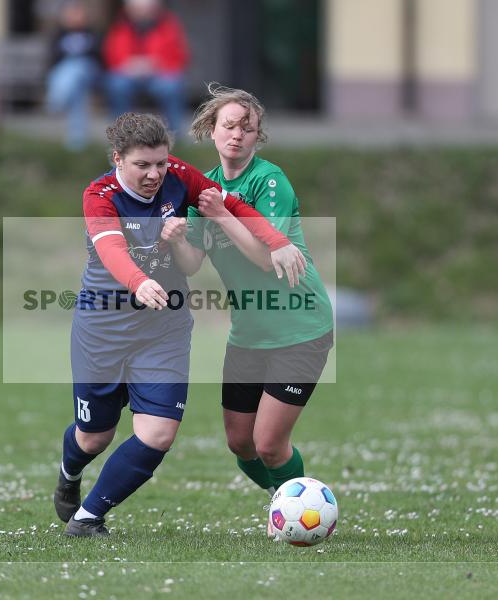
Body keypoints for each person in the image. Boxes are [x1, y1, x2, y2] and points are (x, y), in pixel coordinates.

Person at [54, 112, 306, 537]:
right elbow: (113, 250)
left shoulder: (179, 175)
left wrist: (277, 241)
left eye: (161, 163)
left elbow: (233, 206)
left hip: (163, 330)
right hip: (102, 332)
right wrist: (139, 280)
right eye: (142, 165)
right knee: (94, 437)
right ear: (118, 158)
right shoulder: (99, 195)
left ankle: (88, 517)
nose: (155, 174)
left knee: (158, 434)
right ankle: (69, 475)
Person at [164, 84, 334, 533]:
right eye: (229, 126)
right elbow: (193, 263)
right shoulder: (202, 190)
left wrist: (221, 215)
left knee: (269, 444)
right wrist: (177, 239)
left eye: (248, 128)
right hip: (249, 333)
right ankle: (293, 505)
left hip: (301, 326)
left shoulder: (269, 181)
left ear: (258, 136)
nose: (237, 135)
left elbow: (268, 258)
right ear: (211, 131)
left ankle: (308, 512)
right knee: (241, 445)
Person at [102, 0, 188, 139]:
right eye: (138, 9)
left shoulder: (168, 25)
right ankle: (122, 136)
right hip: (128, 75)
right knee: (116, 84)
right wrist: (128, 65)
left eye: (147, 9)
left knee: (172, 85)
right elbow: (111, 55)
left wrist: (156, 64)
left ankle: (176, 136)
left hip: (159, 75)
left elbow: (180, 56)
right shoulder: (120, 26)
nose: (142, 13)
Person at [44, 0, 101, 151]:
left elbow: (100, 57)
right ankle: (77, 141)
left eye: (77, 13)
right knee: (76, 89)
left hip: (88, 73)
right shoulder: (57, 34)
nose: (74, 17)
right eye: (70, 13)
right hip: (64, 76)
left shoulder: (92, 33)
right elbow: (51, 60)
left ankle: (57, 100)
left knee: (77, 68)